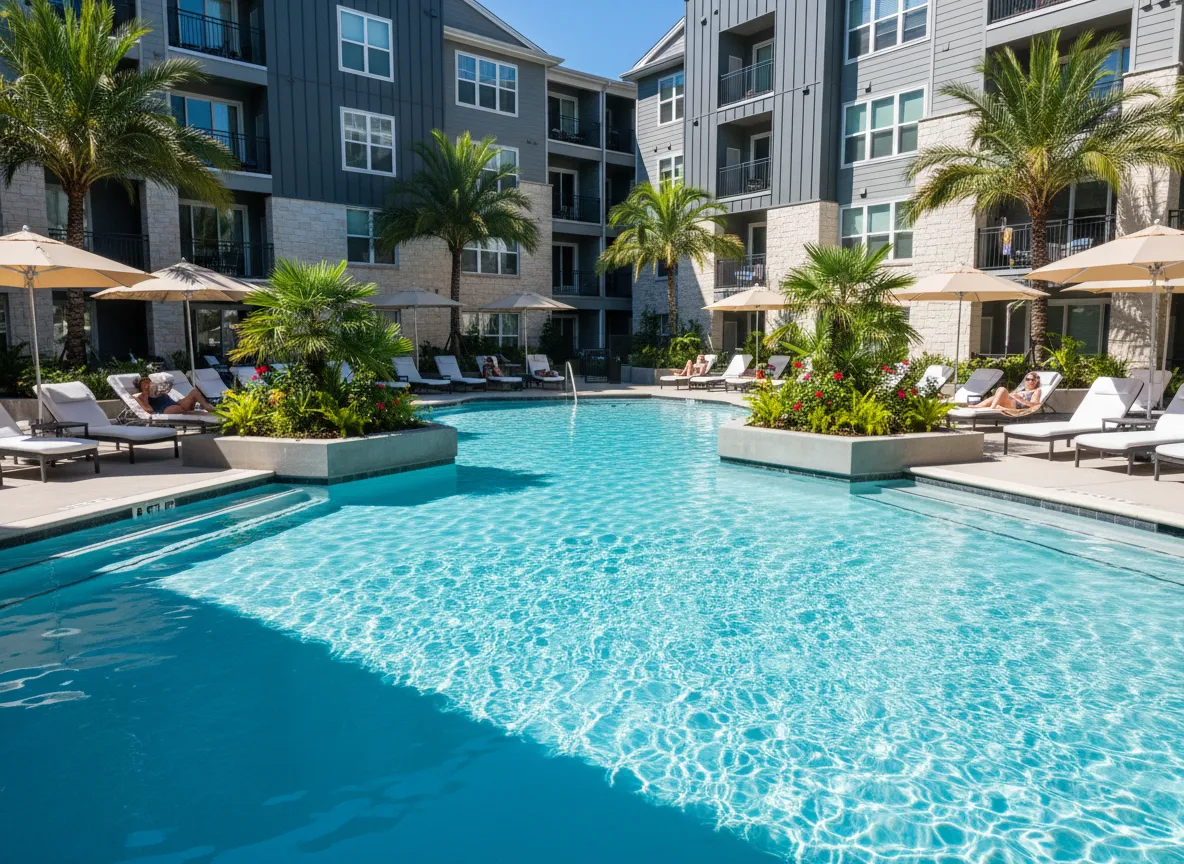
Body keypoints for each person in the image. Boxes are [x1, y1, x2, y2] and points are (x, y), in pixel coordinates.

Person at [134, 375, 214, 415]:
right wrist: (146, 398)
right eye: (145, 383)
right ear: (141, 387)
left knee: (194, 392)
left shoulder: (157, 390)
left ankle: (209, 408)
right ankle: (204, 414)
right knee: (179, 408)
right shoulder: (142, 396)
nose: (148, 384)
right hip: (164, 411)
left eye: (149, 381)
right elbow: (149, 410)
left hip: (176, 405)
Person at [977, 372, 1043, 411]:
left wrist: (1021, 399)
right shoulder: (1022, 389)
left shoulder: (1037, 391)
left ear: (1036, 381)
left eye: (1033, 380)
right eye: (1028, 379)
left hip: (1016, 406)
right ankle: (977, 406)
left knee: (1002, 389)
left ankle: (992, 408)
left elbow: (1035, 405)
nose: (1030, 381)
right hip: (1011, 401)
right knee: (997, 396)